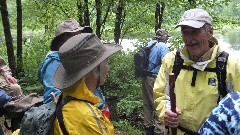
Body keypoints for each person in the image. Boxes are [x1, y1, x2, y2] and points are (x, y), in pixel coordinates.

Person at [153, 8, 240, 134]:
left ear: (210, 32)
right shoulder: (171, 60)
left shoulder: (231, 65)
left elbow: (237, 107)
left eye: (194, 32)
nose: (189, 38)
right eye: (185, 32)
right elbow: (160, 94)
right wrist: (165, 113)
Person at [50, 33, 122, 134]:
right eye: (106, 62)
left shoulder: (63, 98)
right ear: (92, 72)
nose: (108, 68)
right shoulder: (88, 119)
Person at [38, 18, 92, 104]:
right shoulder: (54, 61)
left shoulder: (74, 57)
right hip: (71, 114)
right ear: (61, 41)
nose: (78, 40)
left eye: (79, 35)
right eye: (72, 36)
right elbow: (52, 97)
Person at [142, 29, 170, 135]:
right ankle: (159, 131)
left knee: (147, 103)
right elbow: (167, 63)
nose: (167, 38)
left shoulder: (150, 44)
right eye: (167, 36)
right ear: (162, 37)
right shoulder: (163, 46)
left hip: (145, 77)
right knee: (159, 102)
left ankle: (148, 127)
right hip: (155, 78)